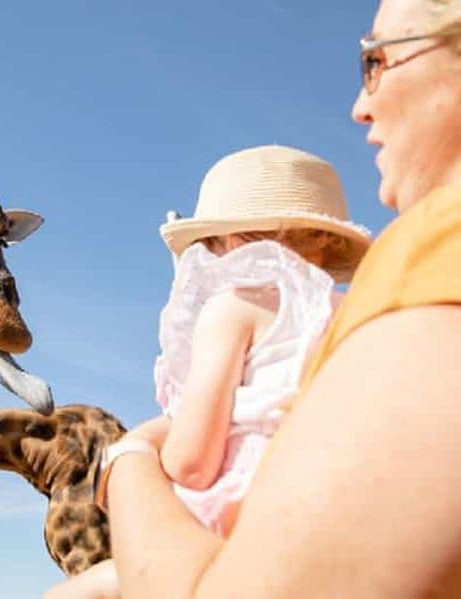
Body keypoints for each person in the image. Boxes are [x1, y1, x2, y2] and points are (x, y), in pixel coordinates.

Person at [98, 1, 461, 597]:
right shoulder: (349, 311)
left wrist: (126, 461)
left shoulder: (426, 257)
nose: (359, 105)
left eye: (376, 61)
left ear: (230, 241)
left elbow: (194, 477)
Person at [44, 145, 371, 599]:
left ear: (230, 242)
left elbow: (193, 464)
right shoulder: (360, 314)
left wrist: (146, 448)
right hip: (336, 521)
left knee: (72, 594)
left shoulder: (235, 307)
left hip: (238, 529)